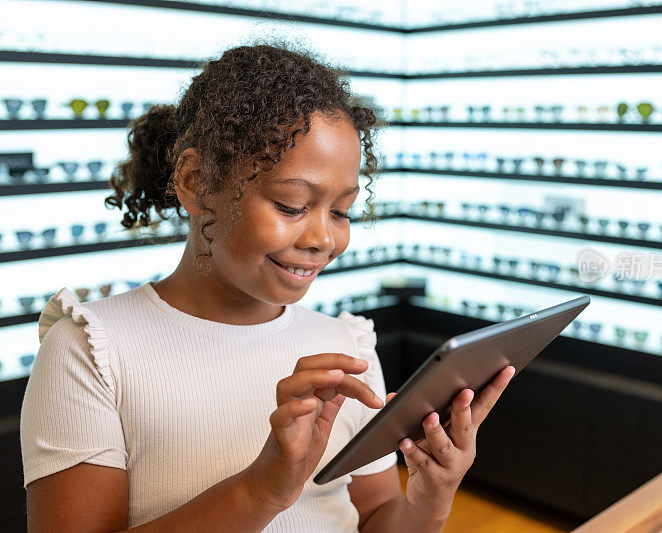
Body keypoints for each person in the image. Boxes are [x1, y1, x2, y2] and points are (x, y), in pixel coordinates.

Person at [20, 38, 515, 532]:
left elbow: (379, 515)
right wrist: (259, 491)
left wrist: (430, 500)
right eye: (292, 206)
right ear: (195, 183)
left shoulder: (346, 349)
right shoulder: (91, 352)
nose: (324, 238)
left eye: (341, 211)